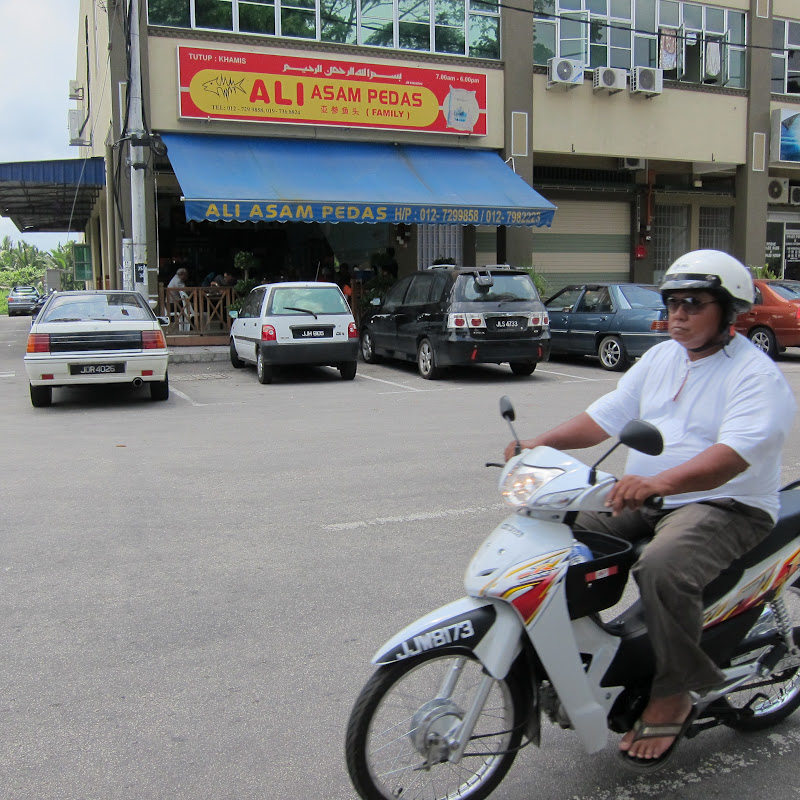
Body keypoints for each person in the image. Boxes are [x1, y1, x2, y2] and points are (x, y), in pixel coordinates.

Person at [503, 250, 796, 769]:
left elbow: (729, 459)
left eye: (694, 303)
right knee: (559, 530)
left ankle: (674, 690)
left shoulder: (756, 376)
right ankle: (586, 656)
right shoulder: (663, 357)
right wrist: (536, 445)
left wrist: (656, 481)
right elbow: (606, 418)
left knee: (662, 565)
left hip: (727, 503)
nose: (678, 313)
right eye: (672, 302)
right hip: (653, 493)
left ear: (728, 311)